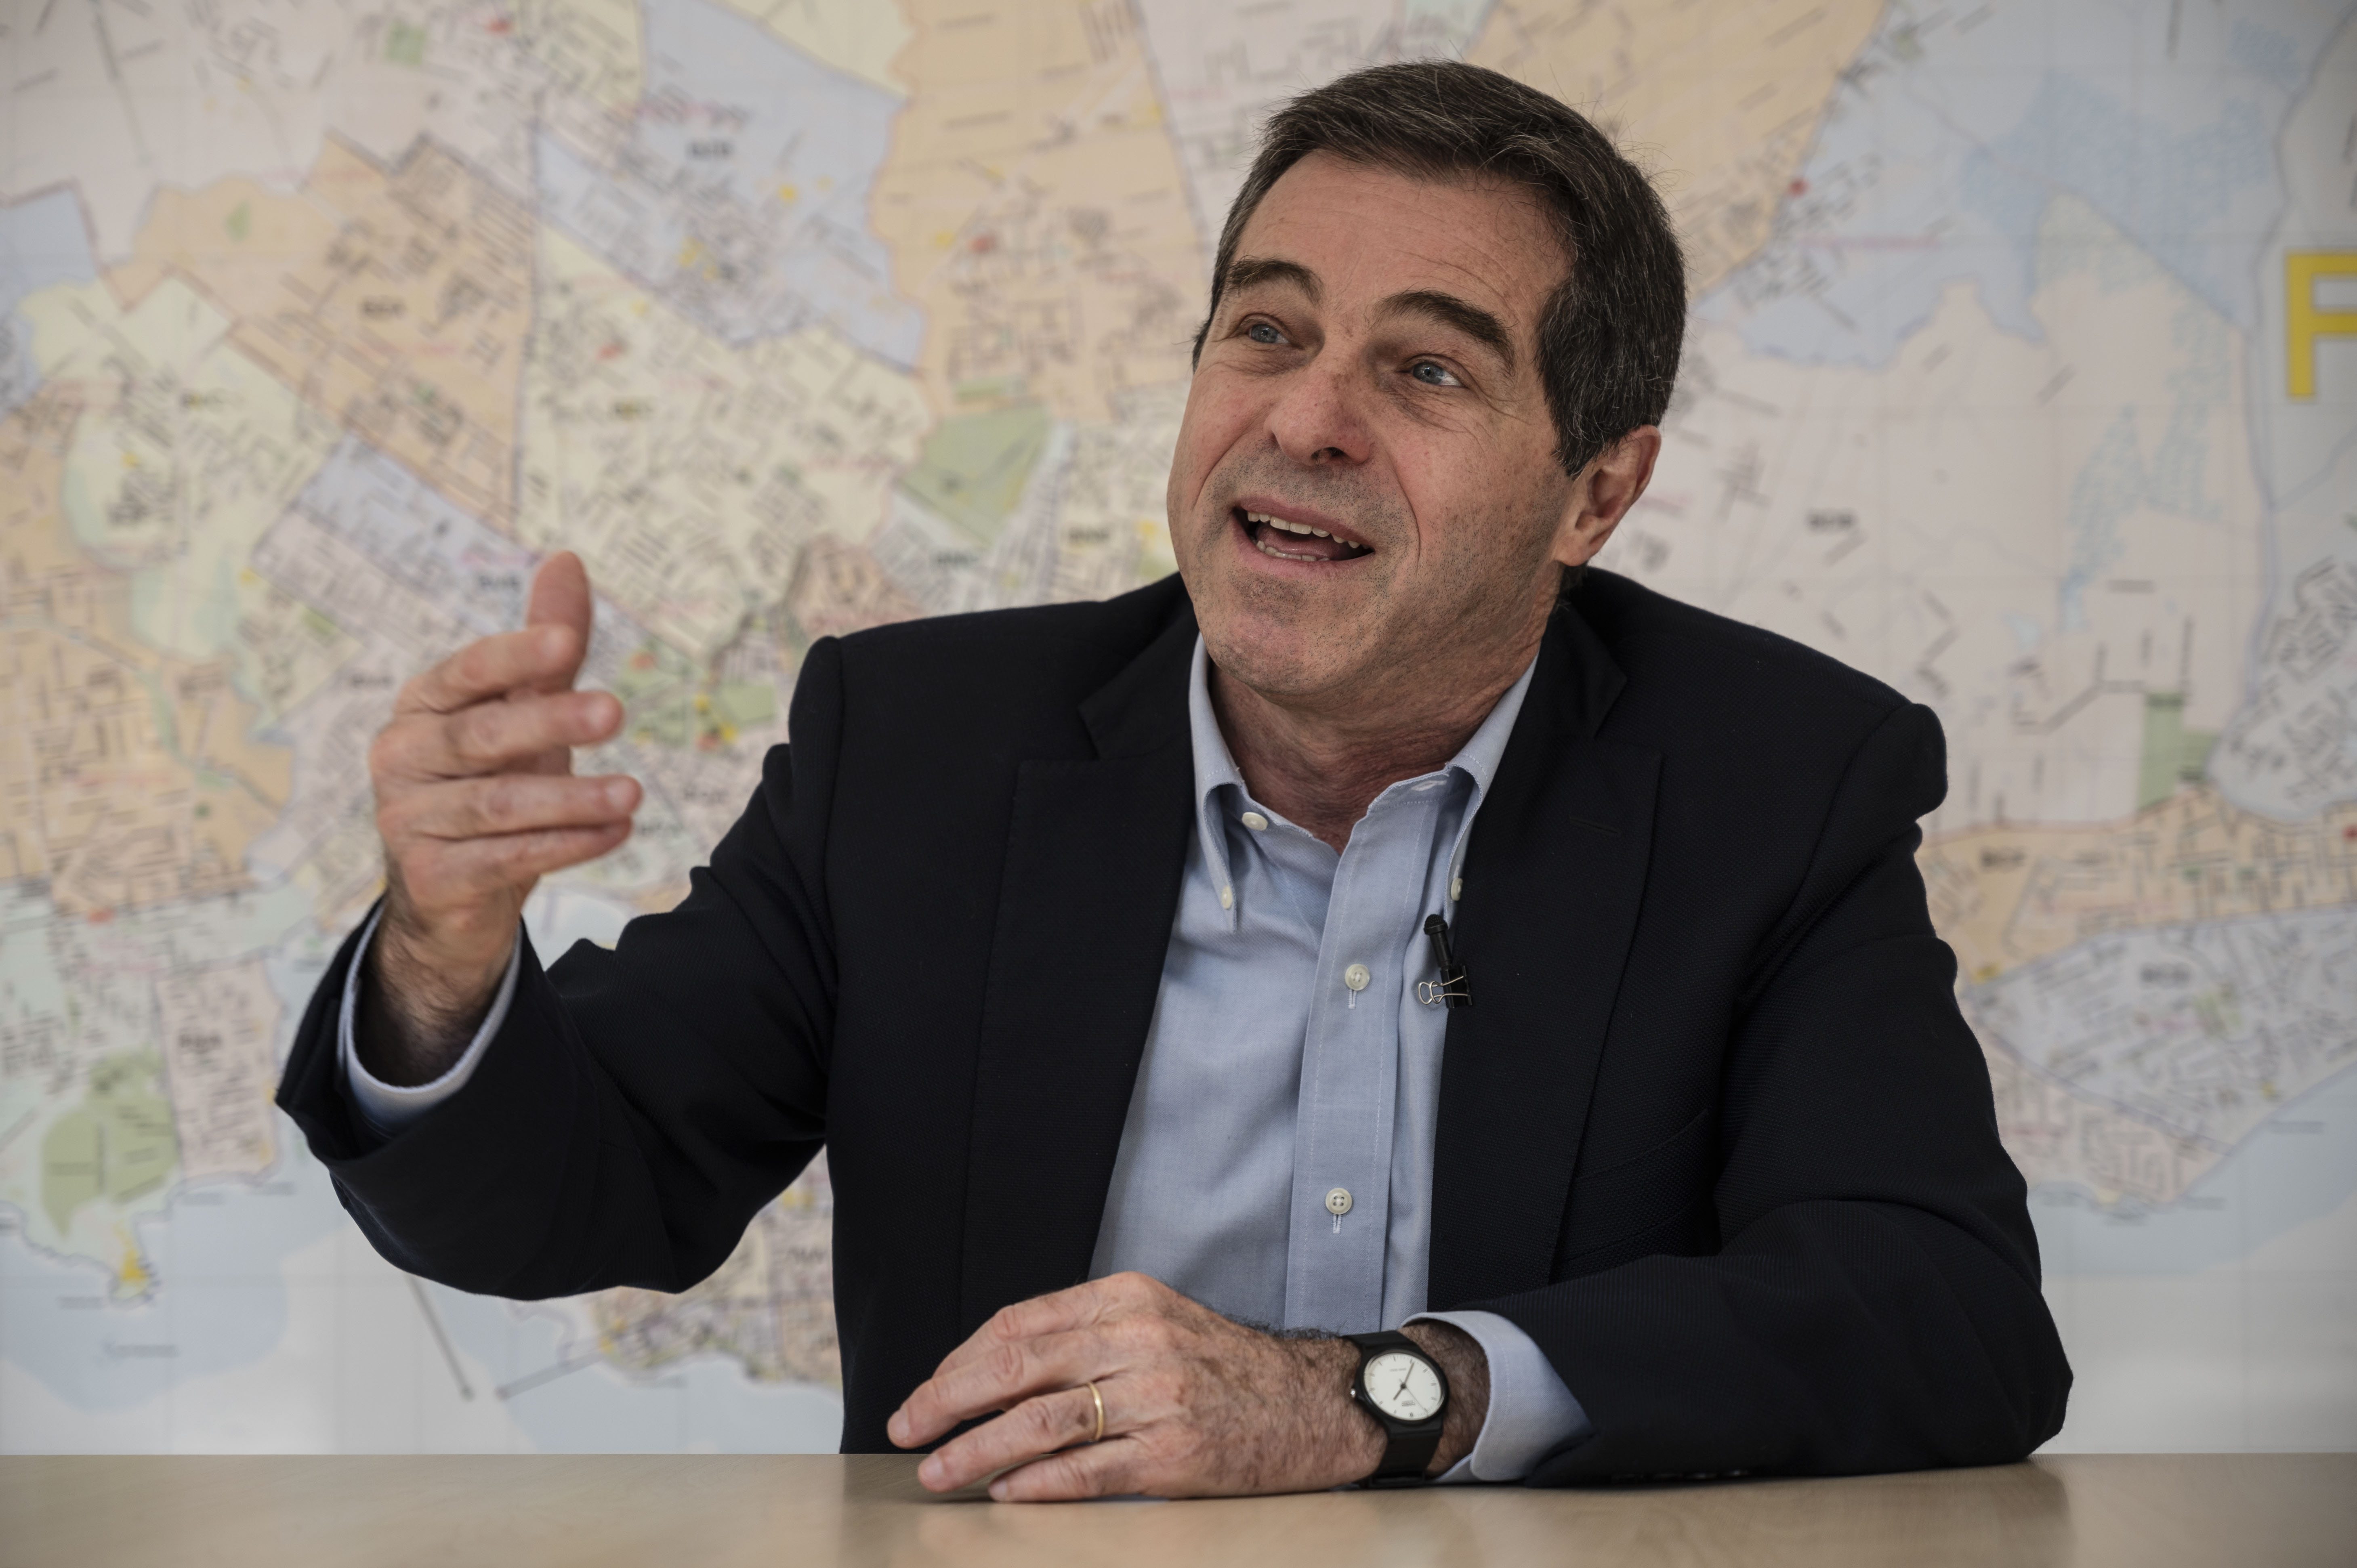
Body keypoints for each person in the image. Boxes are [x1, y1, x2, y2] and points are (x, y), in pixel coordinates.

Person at [277, 61, 2070, 1497]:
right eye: (1266, 330)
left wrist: (1379, 1397)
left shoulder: (1779, 784)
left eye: (1424, 367)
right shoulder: (916, 748)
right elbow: (583, 1187)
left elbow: (1945, 1314)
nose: (1304, 418)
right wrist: (440, 952)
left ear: (1594, 492)